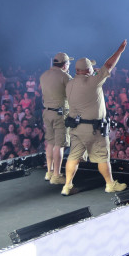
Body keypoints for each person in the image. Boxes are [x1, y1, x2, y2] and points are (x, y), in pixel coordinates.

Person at [61, 41, 127, 196]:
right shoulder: (93, 81)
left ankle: (67, 186)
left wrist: (92, 73)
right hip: (93, 129)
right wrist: (119, 51)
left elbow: (86, 79)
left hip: (76, 128)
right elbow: (108, 65)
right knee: (103, 157)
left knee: (73, 157)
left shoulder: (69, 84)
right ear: (88, 70)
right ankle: (110, 184)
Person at [40, 52, 72, 185]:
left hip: (47, 112)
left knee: (50, 143)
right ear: (64, 65)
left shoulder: (43, 75)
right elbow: (72, 94)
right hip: (60, 114)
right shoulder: (65, 76)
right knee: (59, 144)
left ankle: (49, 172)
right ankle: (57, 175)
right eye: (68, 63)